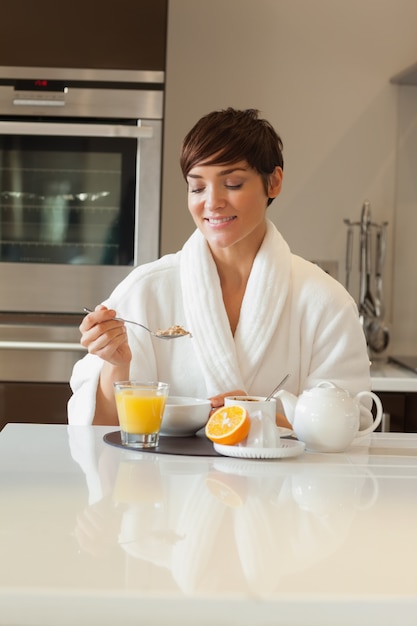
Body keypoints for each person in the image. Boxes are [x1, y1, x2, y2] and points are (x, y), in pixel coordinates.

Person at [68, 108, 371, 427]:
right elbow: (99, 430)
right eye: (197, 187)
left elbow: (349, 424)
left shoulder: (325, 301)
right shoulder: (146, 289)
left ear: (274, 182)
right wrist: (116, 364)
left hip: (284, 480)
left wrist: (254, 417)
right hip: (165, 478)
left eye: (233, 183)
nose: (211, 202)